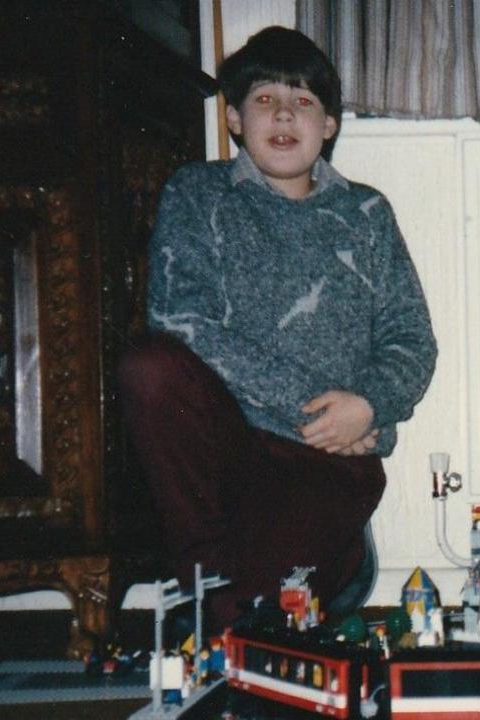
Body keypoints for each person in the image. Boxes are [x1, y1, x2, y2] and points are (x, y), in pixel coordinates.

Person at [118, 26, 437, 625]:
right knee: (148, 366)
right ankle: (212, 579)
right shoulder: (197, 193)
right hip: (229, 443)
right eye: (265, 99)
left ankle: (305, 567)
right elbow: (180, 318)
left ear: (330, 125)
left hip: (329, 459)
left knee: (259, 611)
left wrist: (369, 406)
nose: (284, 114)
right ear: (235, 118)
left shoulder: (367, 212)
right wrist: (313, 409)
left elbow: (411, 337)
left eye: (304, 101)